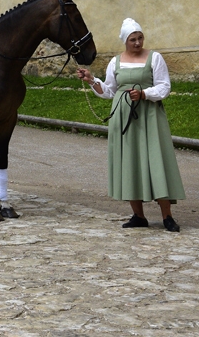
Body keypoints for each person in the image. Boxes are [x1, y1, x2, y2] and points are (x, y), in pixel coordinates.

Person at [77, 18, 185, 232]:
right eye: (133, 39)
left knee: (156, 160)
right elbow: (109, 91)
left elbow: (164, 86)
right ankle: (138, 215)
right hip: (123, 115)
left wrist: (145, 94)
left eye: (140, 38)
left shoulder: (155, 58)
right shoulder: (115, 62)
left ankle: (167, 216)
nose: (137, 43)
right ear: (125, 41)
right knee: (130, 161)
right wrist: (91, 80)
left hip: (149, 115)